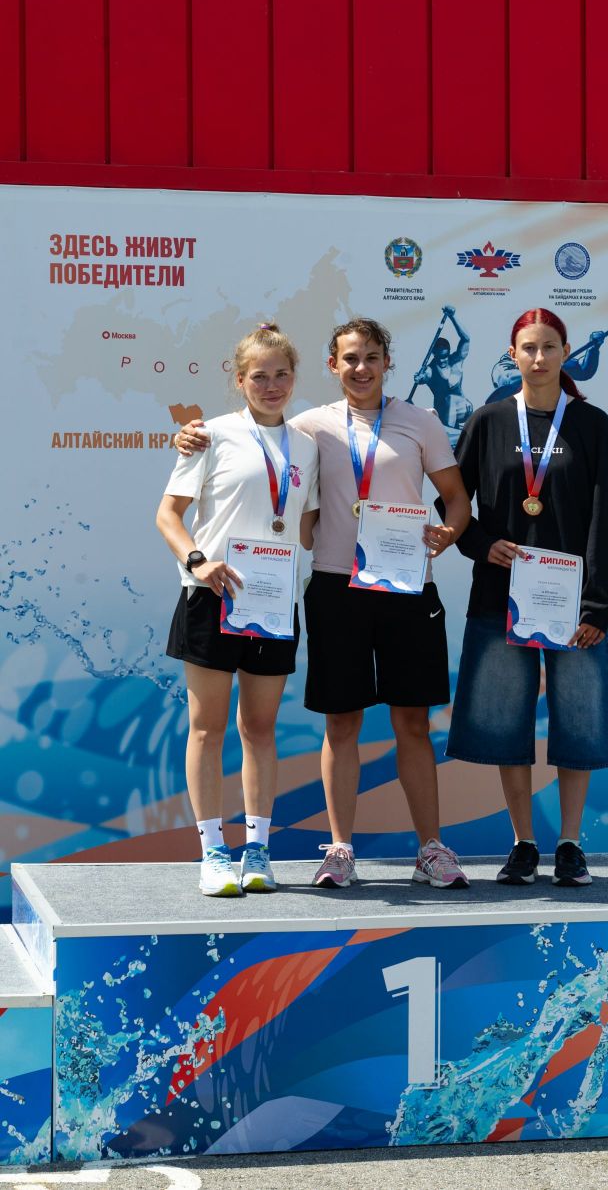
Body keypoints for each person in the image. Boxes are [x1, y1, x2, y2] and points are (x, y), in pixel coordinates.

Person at [177, 318, 473, 891]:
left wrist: (449, 532)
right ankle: (340, 849)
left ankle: (431, 850)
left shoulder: (421, 421)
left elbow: (456, 500)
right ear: (332, 366)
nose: (361, 368)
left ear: (387, 361)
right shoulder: (308, 429)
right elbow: (255, 444)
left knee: (413, 722)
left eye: (371, 357)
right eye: (349, 359)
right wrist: (192, 436)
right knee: (341, 722)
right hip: (337, 588)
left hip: (408, 588)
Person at [444, 307, 608, 888]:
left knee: (580, 725)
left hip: (574, 606)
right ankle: (523, 843)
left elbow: (604, 522)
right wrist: (480, 543)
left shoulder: (593, 426)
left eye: (549, 346)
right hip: (501, 599)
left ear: (566, 352)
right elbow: (452, 504)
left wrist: (597, 607)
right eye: (528, 347)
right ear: (512, 354)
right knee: (504, 724)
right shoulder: (488, 421)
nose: (539, 357)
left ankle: (570, 844)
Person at [156, 323, 319, 897]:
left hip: (273, 603)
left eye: (282, 375)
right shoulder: (209, 435)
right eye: (259, 376)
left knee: (260, 729)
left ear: (294, 377)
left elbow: (307, 527)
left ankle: (257, 851)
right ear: (240, 379)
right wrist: (198, 561)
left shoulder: (307, 446)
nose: (272, 386)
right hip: (211, 597)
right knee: (207, 728)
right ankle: (212, 853)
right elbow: (168, 515)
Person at [409, 305, 473, 441]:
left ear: (448, 352)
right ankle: (452, 436)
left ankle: (450, 437)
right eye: (439, 357)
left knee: (451, 399)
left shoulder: (456, 361)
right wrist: (419, 378)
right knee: (448, 401)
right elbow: (423, 377)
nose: (443, 360)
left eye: (445, 356)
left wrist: (453, 317)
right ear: (434, 354)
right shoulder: (430, 370)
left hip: (464, 408)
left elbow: (466, 339)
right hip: (442, 413)